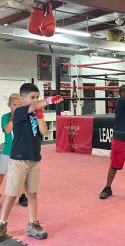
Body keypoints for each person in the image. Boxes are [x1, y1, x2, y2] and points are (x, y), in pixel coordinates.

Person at [0, 83, 63, 241]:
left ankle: (32, 224)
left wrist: (40, 115)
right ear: (22, 99)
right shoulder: (20, 111)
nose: (35, 100)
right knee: (12, 194)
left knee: (32, 193)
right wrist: (47, 101)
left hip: (35, 158)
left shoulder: (36, 113)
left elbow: (43, 131)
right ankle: (2, 223)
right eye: (32, 97)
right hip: (19, 159)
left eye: (37, 97)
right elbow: (33, 106)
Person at [0, 93, 28, 207]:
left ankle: (22, 195)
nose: (17, 107)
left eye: (19, 104)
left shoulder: (25, 117)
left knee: (20, 175)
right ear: (9, 105)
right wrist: (13, 117)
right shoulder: (5, 117)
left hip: (21, 151)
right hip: (7, 151)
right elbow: (7, 130)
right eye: (14, 104)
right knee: (1, 173)